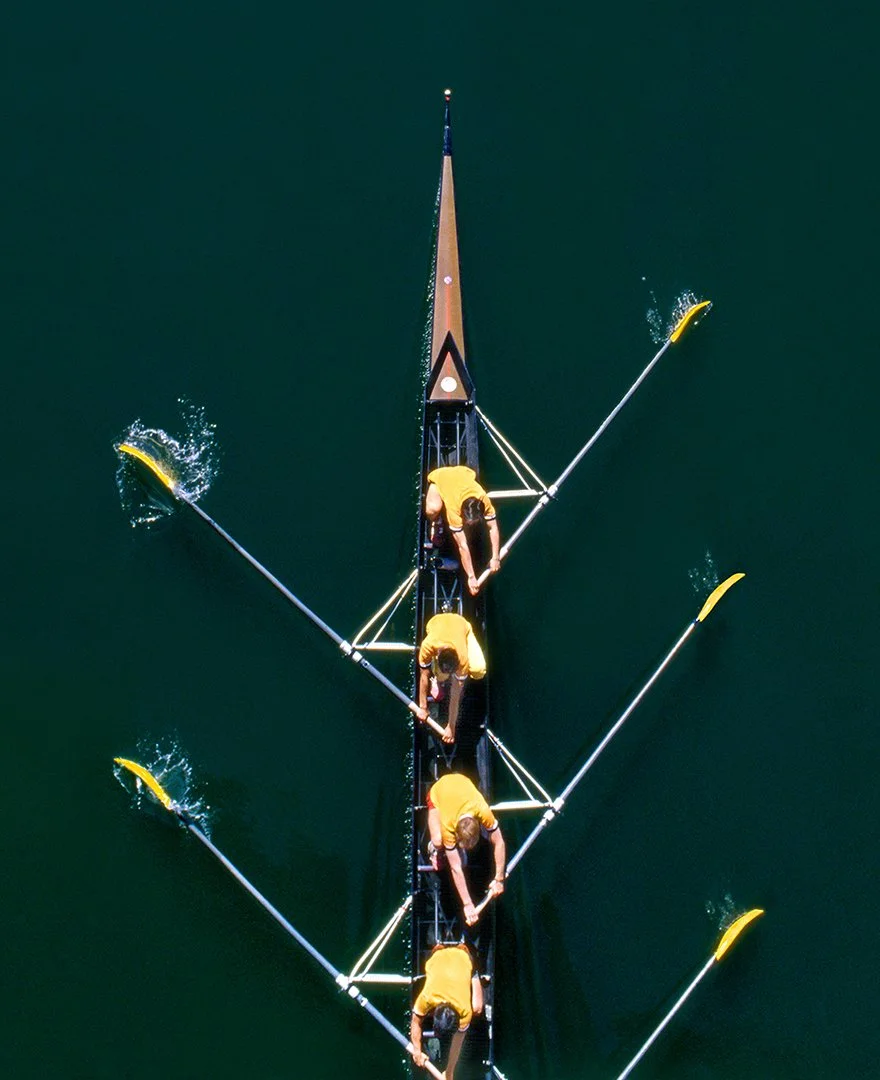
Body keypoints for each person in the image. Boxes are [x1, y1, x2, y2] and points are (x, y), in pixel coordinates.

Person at [427, 773, 506, 926]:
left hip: (462, 780)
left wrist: (499, 878)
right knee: (438, 842)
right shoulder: (448, 827)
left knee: (493, 836)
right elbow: (456, 868)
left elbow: (500, 842)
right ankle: (433, 850)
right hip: (439, 791)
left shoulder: (483, 811)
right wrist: (468, 904)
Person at [409, 943, 483, 1079]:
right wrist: (416, 1050)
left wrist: (449, 1072)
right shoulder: (427, 996)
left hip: (462, 953)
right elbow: (415, 1021)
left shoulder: (465, 1010)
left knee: (477, 1009)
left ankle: (474, 974)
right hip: (438, 953)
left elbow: (456, 1044)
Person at [425, 466, 501, 595]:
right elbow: (462, 546)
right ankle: (436, 522)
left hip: (463, 473)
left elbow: (493, 527)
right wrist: (471, 576)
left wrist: (495, 557)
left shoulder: (483, 498)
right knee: (434, 509)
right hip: (441, 478)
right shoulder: (453, 509)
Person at [418, 613, 486, 744]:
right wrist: (423, 706)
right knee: (442, 676)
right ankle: (437, 680)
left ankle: (445, 676)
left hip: (461, 624)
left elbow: (455, 694)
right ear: (437, 655)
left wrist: (451, 726)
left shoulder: (462, 658)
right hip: (434, 623)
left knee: (479, 671)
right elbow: (424, 675)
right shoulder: (427, 646)